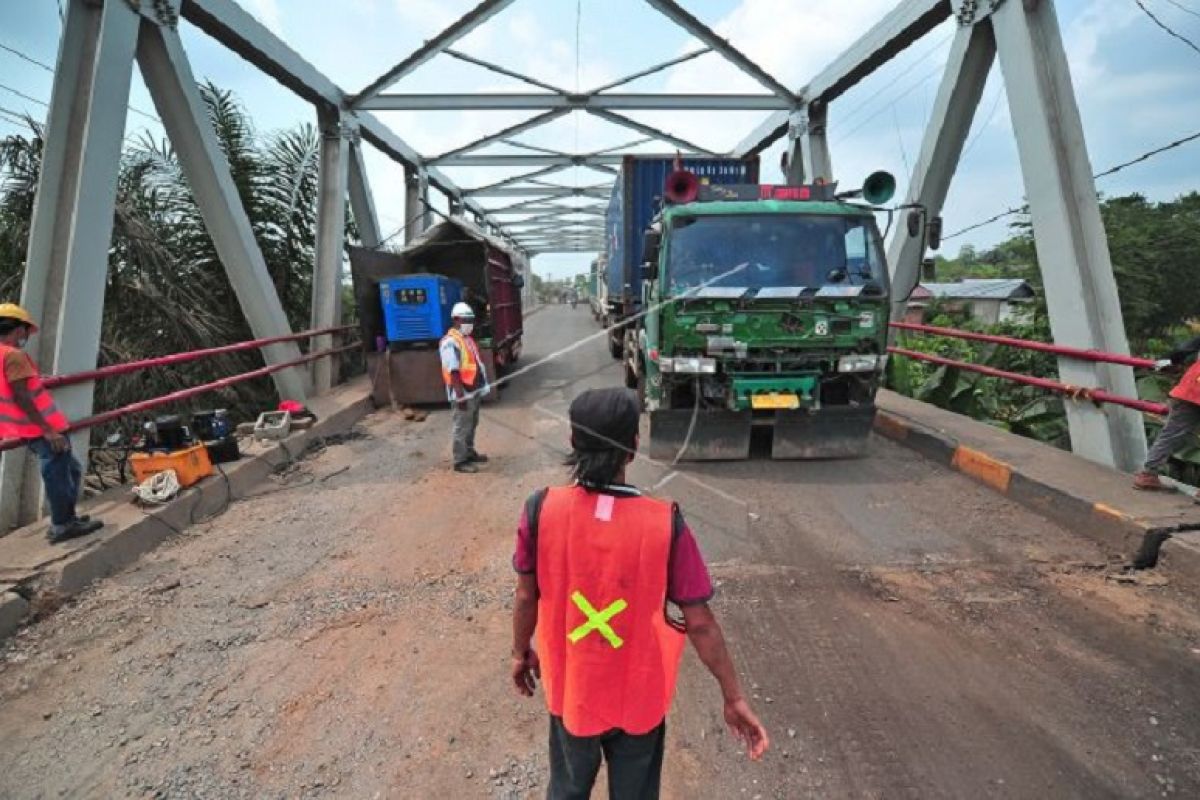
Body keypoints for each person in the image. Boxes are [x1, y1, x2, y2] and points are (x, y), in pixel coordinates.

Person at [510, 387, 768, 798]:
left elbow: (526, 596)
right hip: (638, 694)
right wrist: (732, 696)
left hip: (572, 690)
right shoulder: (664, 523)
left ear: (573, 442)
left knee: (567, 788)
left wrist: (519, 650)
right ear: (633, 447)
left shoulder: (541, 509)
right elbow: (700, 623)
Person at [0, 303, 103, 543]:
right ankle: (62, 525)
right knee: (58, 474)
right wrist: (48, 430)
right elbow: (21, 395)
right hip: (42, 429)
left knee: (72, 469)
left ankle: (67, 517)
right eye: (25, 331)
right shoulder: (13, 355)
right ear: (18, 329)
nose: (26, 336)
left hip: (23, 428)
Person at [1134, 324, 1200, 496]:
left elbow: (1182, 351)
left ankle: (1147, 474)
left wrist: (1159, 364)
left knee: (1171, 433)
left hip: (1189, 389)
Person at [439, 302, 489, 474]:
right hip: (462, 393)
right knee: (462, 426)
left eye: (471, 319)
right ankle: (460, 461)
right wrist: (460, 396)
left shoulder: (466, 339)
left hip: (472, 391)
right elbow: (453, 371)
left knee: (472, 423)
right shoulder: (450, 342)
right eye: (466, 319)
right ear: (456, 320)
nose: (470, 322)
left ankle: (469, 452)